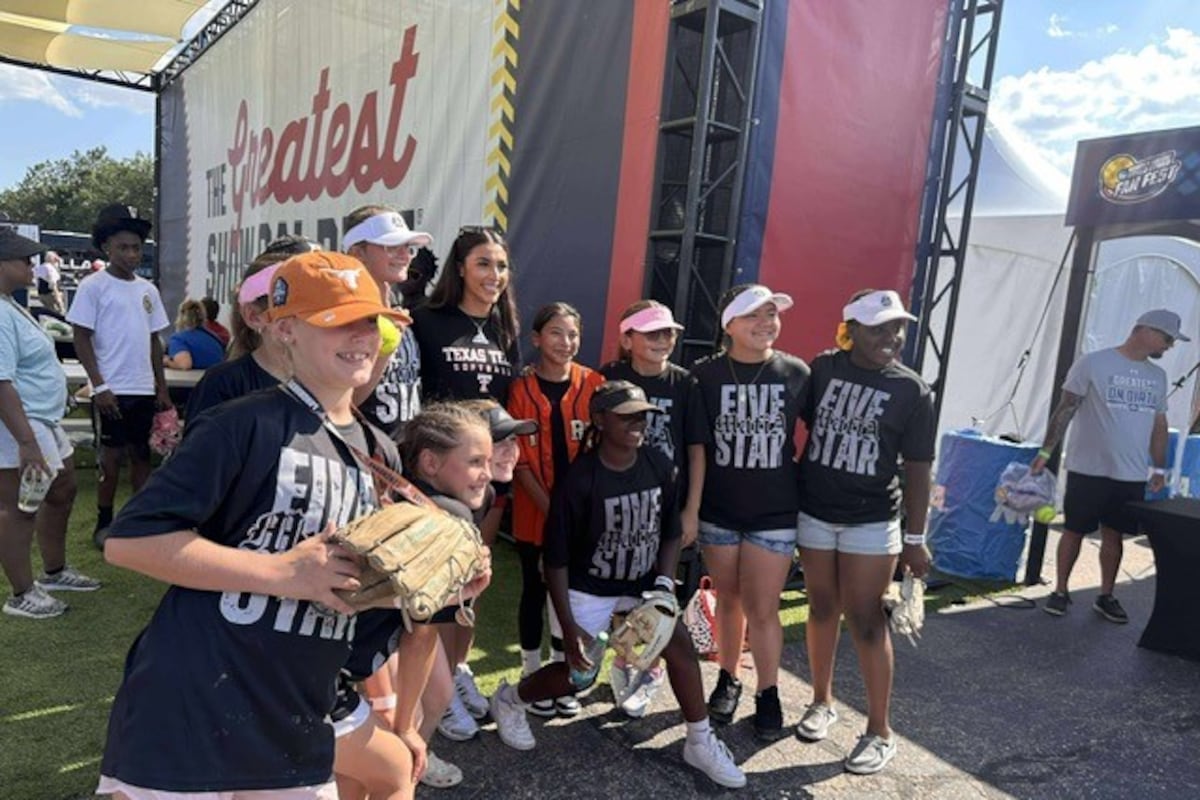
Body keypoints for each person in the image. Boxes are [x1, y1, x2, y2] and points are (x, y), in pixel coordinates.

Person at [95, 251, 471, 798]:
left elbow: (350, 593)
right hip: (196, 698)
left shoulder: (379, 451)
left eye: (371, 319)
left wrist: (425, 589)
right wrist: (282, 572)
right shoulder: (243, 423)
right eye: (338, 320)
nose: (362, 335)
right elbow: (130, 542)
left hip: (301, 705)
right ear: (286, 329)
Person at [490, 381, 746, 788]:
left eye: (642, 414)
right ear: (599, 420)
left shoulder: (660, 464)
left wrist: (663, 584)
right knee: (578, 676)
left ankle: (698, 740)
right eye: (626, 415)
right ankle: (509, 699)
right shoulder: (580, 480)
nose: (638, 422)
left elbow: (670, 532)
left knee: (678, 645)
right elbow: (554, 560)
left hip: (642, 581)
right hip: (585, 584)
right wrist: (570, 627)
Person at [795, 288, 935, 775]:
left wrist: (915, 540)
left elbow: (919, 469)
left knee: (867, 620)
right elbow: (812, 425)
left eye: (897, 327)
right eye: (879, 328)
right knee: (820, 607)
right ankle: (820, 702)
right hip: (814, 512)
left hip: (873, 520)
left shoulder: (913, 390)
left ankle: (880, 731)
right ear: (850, 329)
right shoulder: (823, 369)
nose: (892, 337)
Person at [686, 283, 809, 741]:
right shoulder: (704, 375)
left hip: (775, 512)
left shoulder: (795, 372)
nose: (766, 323)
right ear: (729, 325)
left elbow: (820, 429)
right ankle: (728, 679)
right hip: (719, 511)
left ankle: (769, 692)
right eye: (755, 315)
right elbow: (696, 446)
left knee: (764, 607)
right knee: (729, 600)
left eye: (773, 314)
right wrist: (694, 510)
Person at [1033, 308, 1179, 622]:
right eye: (1167, 339)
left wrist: (1158, 468)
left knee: (1114, 535)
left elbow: (1159, 425)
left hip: (1131, 473)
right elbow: (1066, 407)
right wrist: (1045, 453)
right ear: (1147, 331)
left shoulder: (1158, 376)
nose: (1169, 346)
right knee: (1073, 530)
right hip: (1088, 468)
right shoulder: (1093, 363)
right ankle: (1060, 591)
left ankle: (1106, 595)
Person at [600, 300, 703, 716]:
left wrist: (692, 509)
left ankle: (649, 670)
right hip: (618, 506)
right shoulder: (609, 378)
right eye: (652, 333)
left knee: (660, 595)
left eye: (668, 333)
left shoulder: (685, 383)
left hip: (666, 509)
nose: (664, 340)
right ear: (627, 339)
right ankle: (624, 661)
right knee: (617, 591)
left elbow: (696, 449)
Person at [507, 302, 605, 717]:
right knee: (534, 588)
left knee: (572, 596)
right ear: (536, 339)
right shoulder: (520, 390)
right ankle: (533, 675)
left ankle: (567, 674)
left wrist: (576, 515)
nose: (565, 343)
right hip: (536, 510)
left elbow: (604, 451)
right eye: (556, 333)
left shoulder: (594, 383)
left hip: (583, 515)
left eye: (573, 334)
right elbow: (521, 461)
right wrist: (555, 513)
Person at [0, 230, 99, 619]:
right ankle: (21, 593)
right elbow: (1, 381)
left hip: (43, 418)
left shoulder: (11, 305)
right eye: (23, 260)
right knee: (19, 508)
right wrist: (26, 442)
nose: (31, 266)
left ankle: (54, 571)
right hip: (21, 425)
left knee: (63, 489)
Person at [67, 205, 170, 548]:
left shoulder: (148, 290)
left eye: (136, 247)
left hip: (142, 388)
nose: (130, 253)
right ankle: (104, 520)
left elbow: (154, 340)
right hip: (112, 389)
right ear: (106, 248)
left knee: (142, 456)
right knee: (110, 460)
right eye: (122, 247)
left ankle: (136, 522)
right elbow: (81, 337)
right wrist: (100, 385)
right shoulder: (93, 286)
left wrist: (162, 388)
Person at [184, 236, 318, 424]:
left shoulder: (331, 380)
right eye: (297, 307)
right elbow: (201, 451)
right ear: (254, 316)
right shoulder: (224, 384)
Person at [343, 205, 432, 441]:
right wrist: (384, 346)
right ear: (357, 253)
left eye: (407, 247)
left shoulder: (397, 311)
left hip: (406, 458)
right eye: (391, 247)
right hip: (367, 456)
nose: (405, 255)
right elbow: (346, 402)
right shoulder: (345, 316)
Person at [410, 226, 520, 403]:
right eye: (483, 264)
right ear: (460, 268)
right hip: (439, 429)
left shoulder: (506, 328)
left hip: (494, 431)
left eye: (502, 266)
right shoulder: (424, 321)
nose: (495, 275)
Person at [163, 299, 225, 370]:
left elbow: (184, 365)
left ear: (181, 317)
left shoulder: (179, 339)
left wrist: (167, 361)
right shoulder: (215, 338)